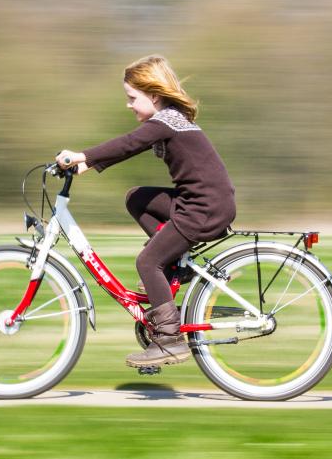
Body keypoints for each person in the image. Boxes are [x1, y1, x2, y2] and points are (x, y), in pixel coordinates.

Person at [56, 54, 236, 368]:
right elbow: (130, 147)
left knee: (148, 261)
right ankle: (175, 264)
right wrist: (87, 165)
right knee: (136, 198)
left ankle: (168, 339)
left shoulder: (165, 121)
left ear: (153, 95)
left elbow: (129, 143)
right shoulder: (170, 119)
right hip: (199, 201)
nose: (128, 105)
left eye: (132, 98)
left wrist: (80, 155)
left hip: (202, 208)